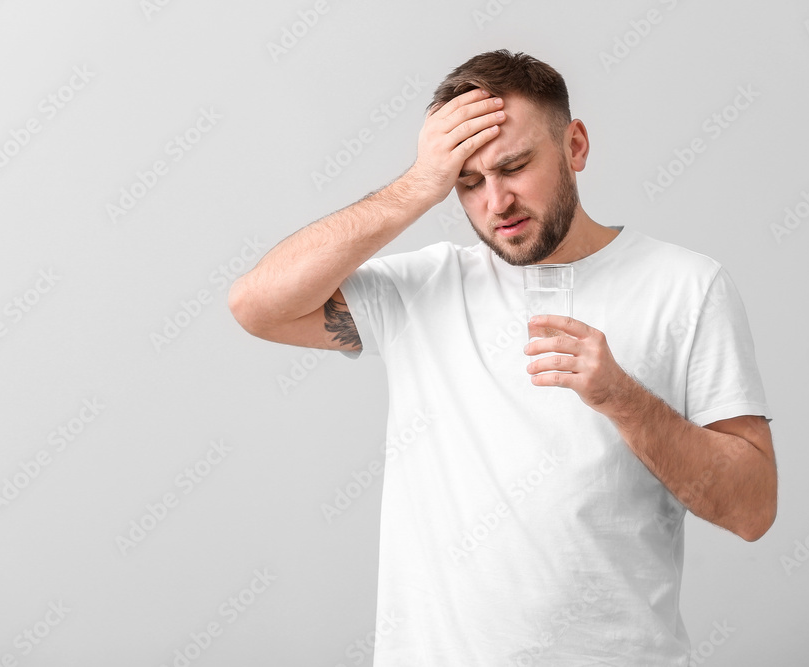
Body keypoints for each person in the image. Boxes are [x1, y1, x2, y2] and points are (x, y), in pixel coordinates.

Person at [229, 49, 776, 665]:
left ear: (575, 146)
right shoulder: (423, 290)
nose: (495, 201)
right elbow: (257, 306)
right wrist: (416, 185)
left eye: (515, 166)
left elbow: (751, 509)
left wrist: (622, 399)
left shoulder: (687, 286)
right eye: (467, 182)